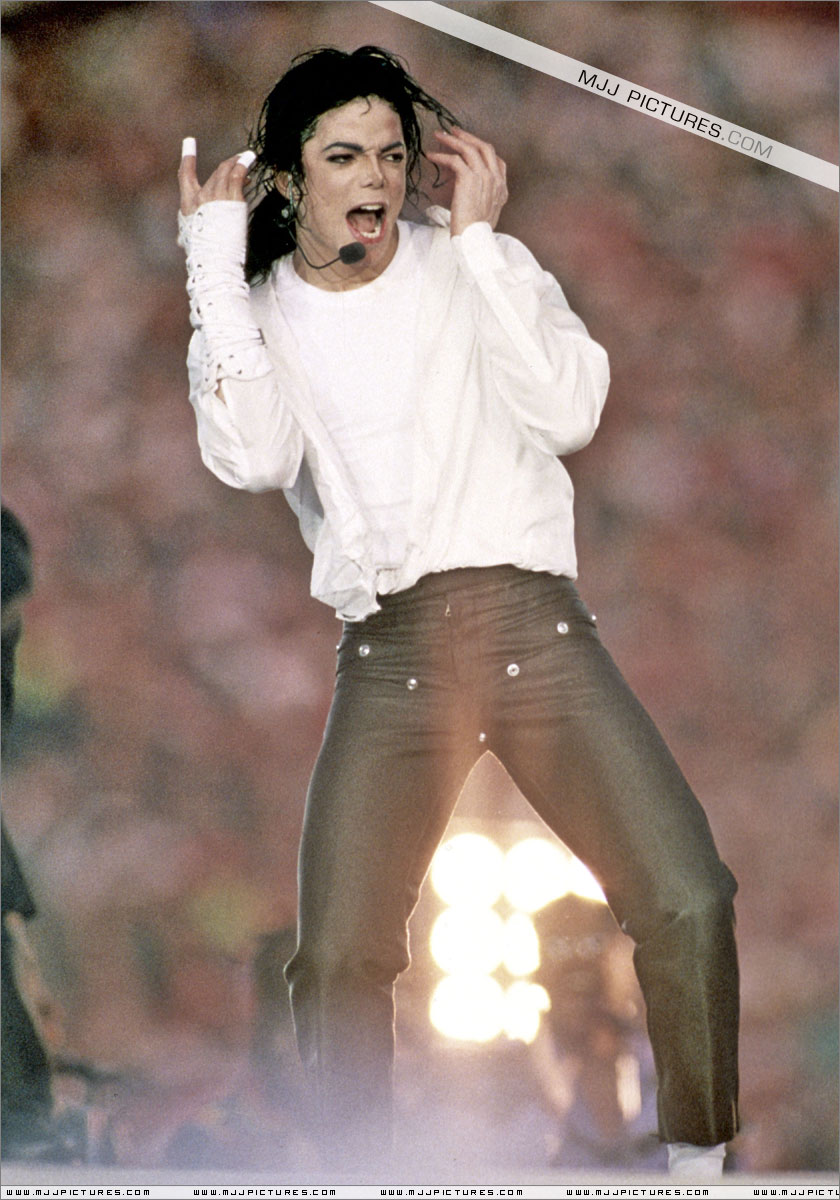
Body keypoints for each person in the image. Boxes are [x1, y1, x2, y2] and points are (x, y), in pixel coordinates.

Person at [177, 45, 739, 1178]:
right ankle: (352, 1172)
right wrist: (212, 271)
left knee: (686, 896)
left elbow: (570, 411)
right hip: (392, 657)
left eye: (391, 154)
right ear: (287, 178)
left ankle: (701, 1170)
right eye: (345, 156)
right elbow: (254, 457)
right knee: (336, 955)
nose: (376, 177)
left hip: (535, 630)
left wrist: (482, 244)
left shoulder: (475, 264)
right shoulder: (258, 314)